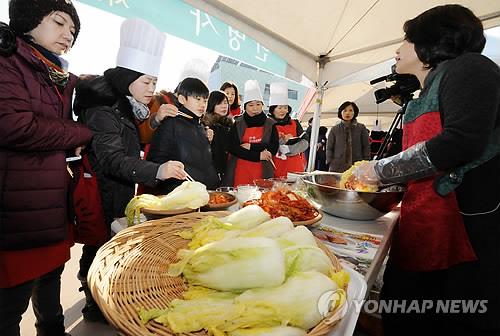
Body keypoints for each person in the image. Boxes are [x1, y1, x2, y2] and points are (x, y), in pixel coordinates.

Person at [350, 5, 500, 335]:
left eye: (406, 38)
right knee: (404, 310)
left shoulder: (470, 68)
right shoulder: (426, 90)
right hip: (424, 225)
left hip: (461, 235)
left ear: (429, 42)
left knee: (450, 319)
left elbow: (460, 142)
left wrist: (380, 171)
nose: (398, 47)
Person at [73, 18, 187, 322]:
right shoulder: (103, 109)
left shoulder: (126, 105)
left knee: (110, 242)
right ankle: (92, 299)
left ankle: (103, 294)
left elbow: (131, 140)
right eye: (147, 82)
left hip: (118, 186)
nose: (152, 89)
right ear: (127, 79)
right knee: (98, 245)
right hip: (101, 187)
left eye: (154, 81)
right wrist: (157, 171)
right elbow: (112, 158)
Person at [0, 1, 93, 335]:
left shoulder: (52, 72)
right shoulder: (8, 61)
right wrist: (81, 133)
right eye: (59, 23)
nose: (67, 34)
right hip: (19, 206)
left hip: (49, 200)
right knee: (11, 304)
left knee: (50, 278)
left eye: (73, 31)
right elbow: (15, 125)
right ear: (29, 20)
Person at [148, 77, 219, 193]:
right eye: (198, 99)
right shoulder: (170, 123)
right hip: (181, 196)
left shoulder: (201, 126)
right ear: (182, 99)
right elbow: (156, 162)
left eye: (205, 100)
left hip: (205, 194)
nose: (202, 104)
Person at [225, 80, 279, 186]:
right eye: (251, 105)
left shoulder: (270, 124)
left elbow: (273, 146)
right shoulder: (237, 123)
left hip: (264, 169)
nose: (255, 108)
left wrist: (251, 146)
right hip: (240, 169)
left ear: (262, 105)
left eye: (258, 104)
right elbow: (233, 148)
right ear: (245, 107)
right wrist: (259, 155)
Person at [268, 82, 308, 177]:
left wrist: (288, 149)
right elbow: (268, 145)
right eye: (279, 107)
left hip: (296, 167)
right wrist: (281, 142)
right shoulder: (268, 124)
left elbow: (305, 142)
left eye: (285, 108)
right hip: (276, 167)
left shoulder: (295, 123)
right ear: (273, 109)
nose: (283, 111)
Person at [326, 101, 370, 172]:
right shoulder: (335, 129)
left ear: (354, 112)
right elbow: (329, 147)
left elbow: (366, 146)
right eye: (345, 110)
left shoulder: (361, 128)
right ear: (341, 112)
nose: (347, 113)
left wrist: (366, 162)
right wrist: (330, 161)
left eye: (350, 110)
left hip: (357, 166)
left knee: (355, 183)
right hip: (337, 166)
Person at [202, 90, 233, 183]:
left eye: (225, 102)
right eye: (219, 103)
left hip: (228, 172)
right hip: (211, 174)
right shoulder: (206, 126)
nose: (224, 106)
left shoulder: (231, 125)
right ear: (211, 105)